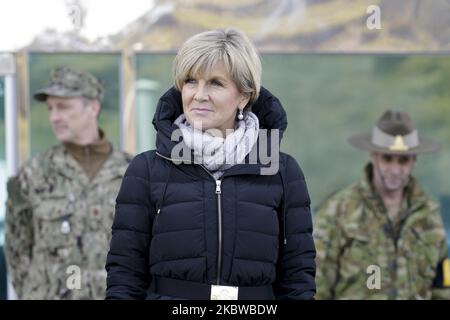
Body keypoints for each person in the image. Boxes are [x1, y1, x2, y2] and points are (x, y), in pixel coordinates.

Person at [105, 28, 316, 300]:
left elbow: (298, 279)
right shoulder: (146, 170)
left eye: (216, 83)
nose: (199, 95)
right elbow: (124, 275)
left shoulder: (282, 171)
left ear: (244, 95)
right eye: (191, 81)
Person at [5, 67, 132, 299]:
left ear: (92, 108)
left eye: (64, 107)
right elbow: (17, 248)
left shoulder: (133, 173)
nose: (54, 117)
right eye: (51, 108)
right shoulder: (32, 174)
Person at [314, 109, 450, 299]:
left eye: (403, 160)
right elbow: (315, 287)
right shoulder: (338, 212)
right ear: (373, 156)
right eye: (387, 158)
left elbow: (442, 289)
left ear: (414, 161)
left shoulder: (429, 217)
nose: (395, 169)